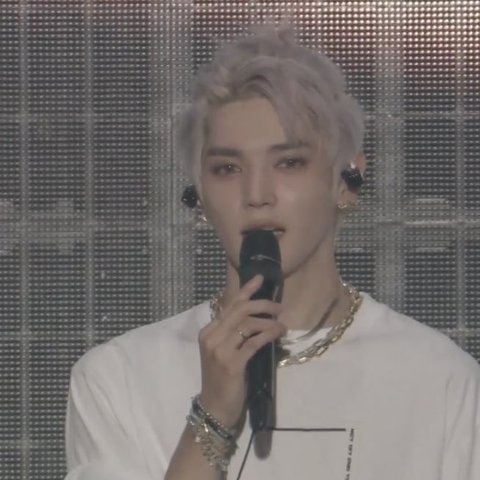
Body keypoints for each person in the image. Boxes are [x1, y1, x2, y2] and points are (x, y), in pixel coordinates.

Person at [65, 25, 480, 480]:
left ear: (347, 180)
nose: (257, 194)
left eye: (289, 163)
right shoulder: (118, 380)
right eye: (227, 168)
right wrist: (212, 418)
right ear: (199, 193)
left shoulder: (440, 381)